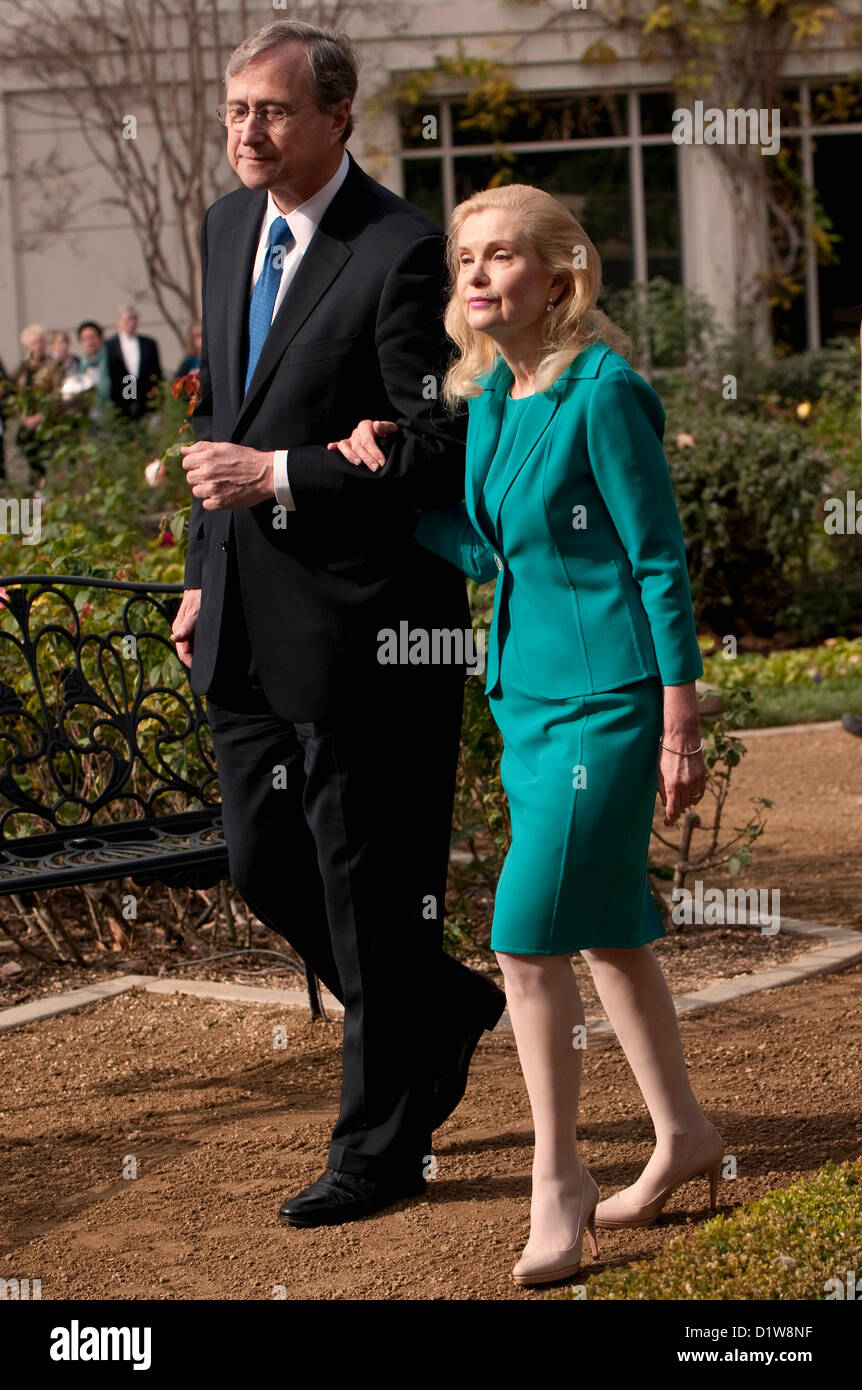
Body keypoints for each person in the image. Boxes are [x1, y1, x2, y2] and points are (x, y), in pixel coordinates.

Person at [329, 184, 724, 1286]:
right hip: (526, 699)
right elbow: (495, 547)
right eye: (466, 259)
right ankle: (684, 1132)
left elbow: (657, 560)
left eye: (501, 255)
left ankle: (561, 1182)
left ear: (560, 273)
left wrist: (681, 718)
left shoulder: (607, 393)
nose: (477, 275)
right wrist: (391, 485)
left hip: (609, 701)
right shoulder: (495, 395)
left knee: (522, 935)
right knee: (608, 931)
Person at [170, 19, 505, 1229]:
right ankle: (446, 1004)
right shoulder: (221, 228)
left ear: (336, 120)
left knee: (369, 891)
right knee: (265, 865)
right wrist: (209, 572)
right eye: (234, 111)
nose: (245, 132)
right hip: (246, 624)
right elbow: (231, 412)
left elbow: (440, 445)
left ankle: (380, 1148)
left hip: (372, 632)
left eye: (270, 113)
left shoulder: (405, 252)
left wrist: (288, 474)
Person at [12, 324, 64, 485]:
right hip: (27, 423)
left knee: (50, 458)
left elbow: (57, 394)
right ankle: (36, 489)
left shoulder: (53, 366)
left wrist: (41, 416)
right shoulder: (23, 368)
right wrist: (24, 418)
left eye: (41, 342)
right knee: (29, 454)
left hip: (47, 422)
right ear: (27, 346)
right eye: (34, 342)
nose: (38, 346)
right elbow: (15, 395)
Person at [100, 304, 162, 419]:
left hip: (146, 400)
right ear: (118, 321)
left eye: (134, 318)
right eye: (128, 318)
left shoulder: (149, 344)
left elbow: (157, 372)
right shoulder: (109, 346)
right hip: (119, 402)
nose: (131, 322)